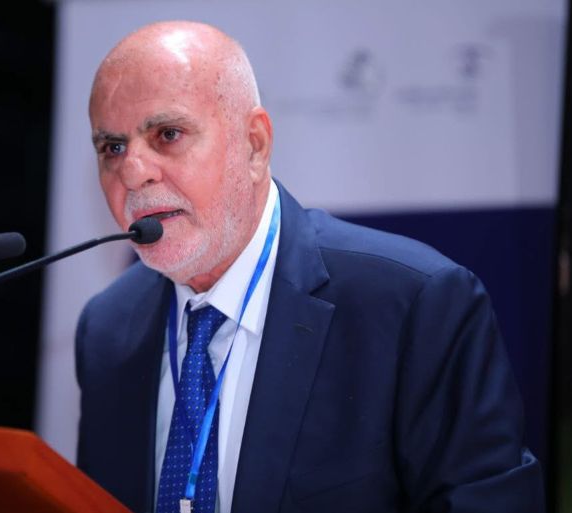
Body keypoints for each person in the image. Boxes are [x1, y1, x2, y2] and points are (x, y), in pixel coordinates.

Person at [75, 20, 543, 513]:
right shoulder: (107, 328)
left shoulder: (414, 305)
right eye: (113, 148)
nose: (133, 172)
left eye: (168, 134)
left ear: (254, 145)